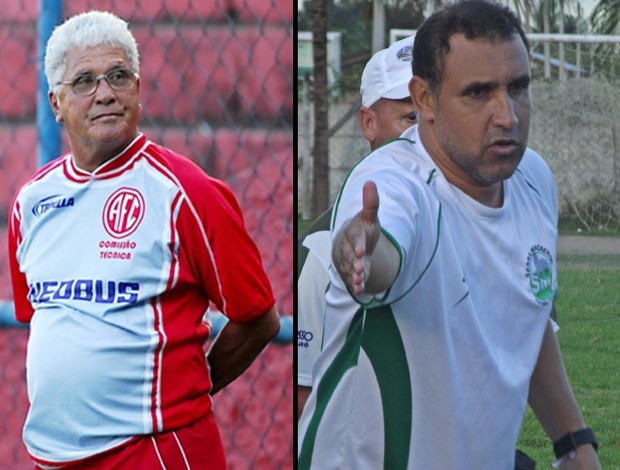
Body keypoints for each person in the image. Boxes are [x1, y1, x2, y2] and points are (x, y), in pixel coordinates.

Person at [297, 2, 600, 469]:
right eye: (478, 93)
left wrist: (573, 441)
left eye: (518, 88)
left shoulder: (533, 178)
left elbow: (529, 316)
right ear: (424, 100)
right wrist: (362, 254)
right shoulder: (393, 182)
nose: (507, 115)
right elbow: (379, 256)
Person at [7, 11, 280, 470]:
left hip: (155, 452)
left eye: (118, 76)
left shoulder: (186, 193)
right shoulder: (31, 201)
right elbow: (43, 321)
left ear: (137, 87)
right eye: (85, 82)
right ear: (56, 102)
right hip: (51, 458)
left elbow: (259, 318)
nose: (105, 93)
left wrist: (190, 391)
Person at [297, 35, 418, 420]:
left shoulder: (473, 225)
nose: (423, 134)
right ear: (368, 122)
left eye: (434, 116)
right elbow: (305, 397)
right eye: (409, 117)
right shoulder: (319, 248)